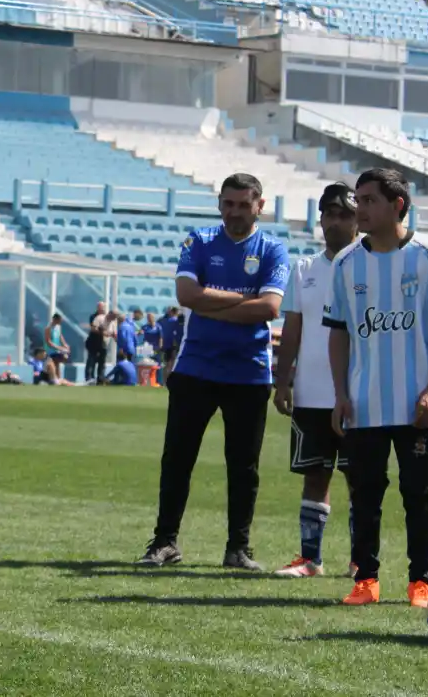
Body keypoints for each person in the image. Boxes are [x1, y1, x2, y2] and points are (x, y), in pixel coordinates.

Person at [137, 173, 290, 571]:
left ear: (260, 205)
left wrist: (211, 302)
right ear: (219, 203)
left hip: (250, 372)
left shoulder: (273, 249)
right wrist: (245, 300)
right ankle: (165, 541)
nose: (235, 212)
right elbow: (186, 295)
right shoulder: (199, 240)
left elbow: (271, 309)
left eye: (243, 204)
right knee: (178, 459)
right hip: (196, 368)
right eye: (228, 204)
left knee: (244, 466)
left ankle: (237, 548)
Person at [324, 168, 428, 607]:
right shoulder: (346, 263)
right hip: (364, 404)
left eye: (368, 201)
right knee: (365, 495)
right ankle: (367, 580)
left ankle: (420, 581)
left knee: (419, 496)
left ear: (397, 205)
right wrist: (341, 395)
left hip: (420, 404)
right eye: (357, 200)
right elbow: (339, 332)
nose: (358, 209)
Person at [272, 183, 359, 578]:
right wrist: (283, 380)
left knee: (362, 480)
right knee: (314, 475)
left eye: (345, 214)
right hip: (311, 393)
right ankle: (310, 559)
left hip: (360, 395)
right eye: (329, 214)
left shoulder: (369, 265)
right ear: (320, 218)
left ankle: (362, 561)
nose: (336, 222)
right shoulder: (303, 269)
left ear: (358, 219)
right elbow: (292, 329)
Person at [84, 302, 107, 383]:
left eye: (103, 307)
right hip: (93, 342)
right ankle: (89, 378)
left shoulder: (106, 317)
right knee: (91, 360)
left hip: (103, 343)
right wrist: (103, 331)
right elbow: (94, 328)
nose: (102, 309)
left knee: (102, 362)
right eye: (100, 307)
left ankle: (100, 378)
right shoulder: (93, 317)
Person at [44, 313, 71, 379]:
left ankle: (57, 379)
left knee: (58, 364)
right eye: (59, 320)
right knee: (54, 365)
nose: (60, 322)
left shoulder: (58, 327)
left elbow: (60, 336)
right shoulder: (48, 328)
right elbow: (48, 342)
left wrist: (65, 345)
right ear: (55, 319)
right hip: (50, 351)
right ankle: (54, 379)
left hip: (56, 350)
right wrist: (60, 348)